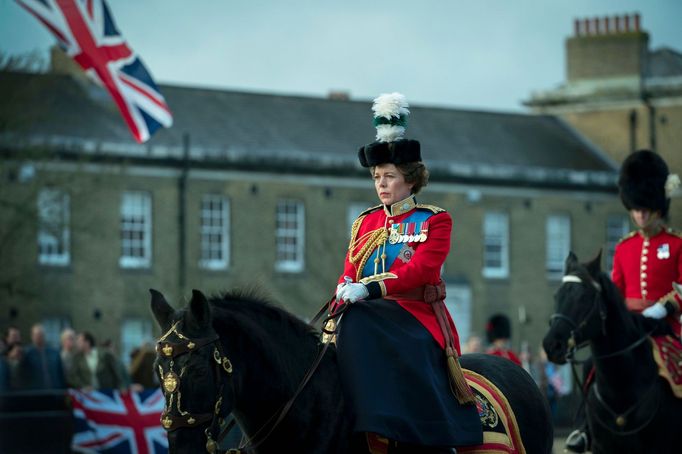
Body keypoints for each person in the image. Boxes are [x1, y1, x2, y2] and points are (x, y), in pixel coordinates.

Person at [332, 93, 482, 454]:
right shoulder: (364, 222)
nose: (381, 184)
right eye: (377, 176)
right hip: (367, 312)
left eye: (390, 176)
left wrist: (368, 291)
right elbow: (349, 270)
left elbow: (421, 270)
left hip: (417, 317)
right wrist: (344, 289)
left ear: (410, 180)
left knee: (360, 324)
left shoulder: (434, 219)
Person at [565, 149, 682, 453]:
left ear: (658, 206)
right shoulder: (625, 247)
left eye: (646, 208)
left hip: (663, 329)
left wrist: (664, 306)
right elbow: (615, 290)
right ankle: (584, 429)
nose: (640, 214)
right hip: (629, 326)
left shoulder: (675, 244)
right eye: (636, 209)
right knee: (594, 365)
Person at [21, 323, 66, 389]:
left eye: (41, 334)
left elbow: (60, 373)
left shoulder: (54, 352)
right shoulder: (27, 353)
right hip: (35, 393)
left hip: (55, 392)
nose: (39, 337)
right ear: (32, 336)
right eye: (37, 335)